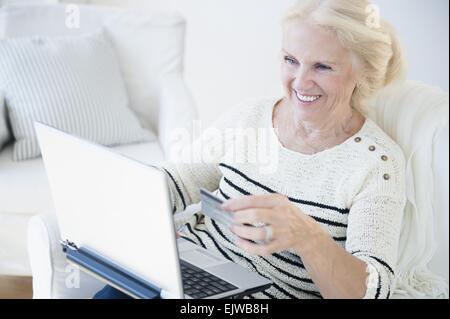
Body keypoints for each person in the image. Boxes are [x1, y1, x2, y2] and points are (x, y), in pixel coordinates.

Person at [95, 0, 407, 299]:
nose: (300, 82)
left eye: (322, 67)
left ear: (362, 72)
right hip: (185, 270)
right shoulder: (250, 116)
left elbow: (371, 291)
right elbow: (180, 178)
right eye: (290, 60)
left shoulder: (377, 164)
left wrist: (307, 237)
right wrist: (129, 193)